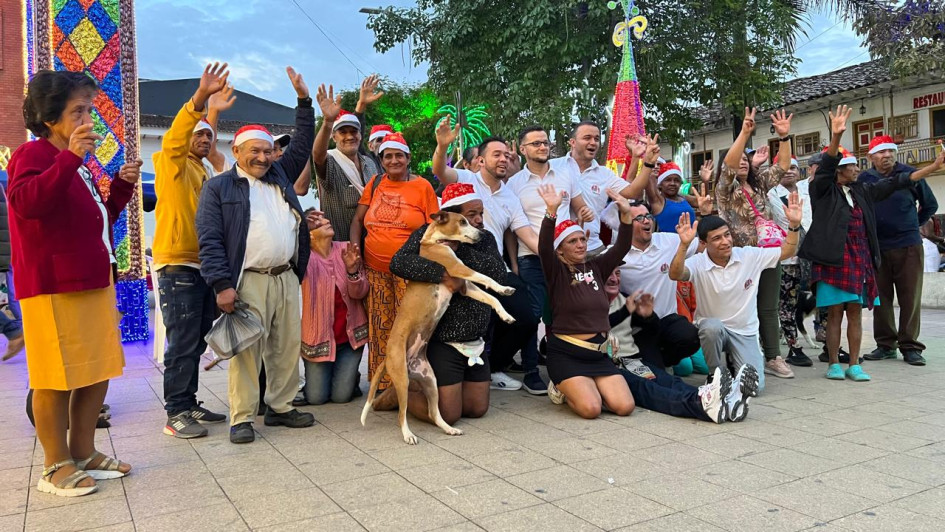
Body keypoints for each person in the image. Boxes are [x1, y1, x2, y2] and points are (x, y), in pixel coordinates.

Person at [8, 70, 139, 495]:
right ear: (50, 118)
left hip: (91, 280)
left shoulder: (75, 163)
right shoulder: (34, 156)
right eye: (78, 110)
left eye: (89, 108)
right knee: (54, 377)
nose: (88, 118)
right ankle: (54, 465)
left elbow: (96, 224)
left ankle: (83, 451)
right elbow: (28, 203)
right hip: (51, 285)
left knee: (95, 371)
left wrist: (119, 187)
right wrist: (69, 160)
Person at [196, 66, 316, 444]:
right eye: (255, 151)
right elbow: (210, 240)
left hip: (285, 276)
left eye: (267, 151)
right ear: (236, 151)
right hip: (247, 280)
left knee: (285, 347)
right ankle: (242, 416)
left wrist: (303, 101)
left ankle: (280, 408)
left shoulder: (279, 176)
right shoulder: (219, 188)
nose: (263, 157)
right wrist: (221, 285)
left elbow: (302, 144)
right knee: (247, 350)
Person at [800, 106, 945, 381]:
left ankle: (855, 364)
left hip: (860, 258)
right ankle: (834, 363)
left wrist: (932, 168)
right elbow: (825, 168)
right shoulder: (823, 191)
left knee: (855, 311)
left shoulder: (862, 189)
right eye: (851, 166)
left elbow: (898, 182)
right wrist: (836, 136)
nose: (857, 169)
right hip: (833, 260)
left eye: (856, 165)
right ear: (839, 171)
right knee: (835, 314)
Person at [152, 63, 230, 439]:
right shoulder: (172, 163)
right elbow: (178, 136)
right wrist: (200, 100)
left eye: (208, 136)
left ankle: (189, 401)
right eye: (196, 135)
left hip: (202, 267)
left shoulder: (201, 170)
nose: (202, 139)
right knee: (182, 341)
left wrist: (212, 115)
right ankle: (175, 412)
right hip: (177, 266)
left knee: (196, 339)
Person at [384, 183, 505, 422]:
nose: (479, 220)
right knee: (448, 414)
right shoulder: (425, 233)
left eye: (480, 213)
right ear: (450, 217)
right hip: (442, 338)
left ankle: (438, 390)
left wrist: (457, 250)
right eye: (470, 216)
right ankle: (398, 396)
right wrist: (442, 273)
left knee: (476, 408)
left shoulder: (483, 238)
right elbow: (399, 263)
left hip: (474, 338)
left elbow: (498, 274)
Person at [432, 129, 541, 391]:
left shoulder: (510, 197)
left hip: (495, 269)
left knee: (527, 316)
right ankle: (451, 371)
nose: (503, 159)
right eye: (496, 154)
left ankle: (493, 366)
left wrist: (558, 252)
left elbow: (526, 234)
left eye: (506, 154)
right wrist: (442, 147)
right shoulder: (468, 179)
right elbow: (440, 171)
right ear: (481, 160)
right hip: (459, 268)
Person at [670, 200, 803, 394]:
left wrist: (794, 225)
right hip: (714, 330)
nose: (725, 241)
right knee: (711, 328)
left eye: (727, 235)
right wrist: (683, 245)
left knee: (754, 389)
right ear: (704, 244)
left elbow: (787, 251)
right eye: (716, 239)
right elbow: (675, 274)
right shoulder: (698, 262)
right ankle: (715, 375)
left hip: (745, 332)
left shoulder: (749, 255)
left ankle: (735, 364)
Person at [505, 125, 596, 395]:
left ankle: (563, 368)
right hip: (530, 258)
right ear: (523, 150)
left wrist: (585, 212)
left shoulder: (566, 174)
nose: (543, 147)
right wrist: (514, 263)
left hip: (564, 258)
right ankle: (531, 371)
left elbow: (578, 205)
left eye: (545, 143)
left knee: (563, 313)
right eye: (535, 144)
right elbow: (511, 230)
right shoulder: (514, 184)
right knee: (533, 317)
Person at [602, 270, 758, 423]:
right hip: (605, 366)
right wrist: (624, 312)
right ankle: (702, 404)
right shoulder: (588, 302)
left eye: (618, 273)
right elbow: (595, 327)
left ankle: (728, 401)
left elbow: (651, 331)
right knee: (649, 390)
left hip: (630, 360)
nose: (614, 279)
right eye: (609, 273)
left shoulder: (624, 299)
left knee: (668, 381)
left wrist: (648, 316)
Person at [535, 182, 635, 419]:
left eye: (582, 239)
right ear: (559, 250)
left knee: (624, 407)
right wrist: (551, 212)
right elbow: (543, 247)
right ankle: (561, 385)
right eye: (572, 241)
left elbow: (622, 247)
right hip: (567, 354)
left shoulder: (597, 267)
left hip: (598, 354)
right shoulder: (555, 271)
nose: (580, 244)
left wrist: (626, 214)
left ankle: (590, 386)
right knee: (591, 409)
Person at [350, 132, 439, 393]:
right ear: (382, 160)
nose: (393, 160)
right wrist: (356, 251)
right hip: (375, 268)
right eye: (387, 156)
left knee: (410, 328)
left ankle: (412, 383)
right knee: (380, 327)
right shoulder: (376, 183)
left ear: (408, 158)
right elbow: (357, 220)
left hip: (409, 271)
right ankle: (384, 384)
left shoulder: (422, 186)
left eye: (399, 155)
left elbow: (434, 227)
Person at [714, 108, 796, 379]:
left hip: (768, 253)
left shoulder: (759, 184)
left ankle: (773, 355)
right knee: (740, 307)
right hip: (740, 256)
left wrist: (784, 138)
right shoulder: (725, 190)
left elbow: (783, 166)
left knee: (769, 306)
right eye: (739, 159)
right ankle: (737, 355)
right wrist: (744, 133)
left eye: (747, 160)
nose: (743, 163)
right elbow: (728, 166)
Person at [861, 134, 939, 366]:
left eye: (890, 151)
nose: (887, 156)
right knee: (880, 298)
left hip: (908, 245)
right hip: (877, 246)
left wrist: (912, 225)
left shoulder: (909, 174)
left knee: (910, 296)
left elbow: (930, 204)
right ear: (871, 157)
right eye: (881, 152)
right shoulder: (865, 179)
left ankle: (910, 346)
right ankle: (885, 345)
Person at [301, 209, 368, 404]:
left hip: (349, 340)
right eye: (318, 222)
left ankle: (348, 377)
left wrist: (352, 272)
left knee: (341, 397)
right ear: (308, 233)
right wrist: (301, 228)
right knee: (316, 399)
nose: (326, 221)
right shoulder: (304, 258)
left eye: (324, 218)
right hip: (318, 340)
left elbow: (360, 293)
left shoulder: (346, 249)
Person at [302, 80, 381, 241]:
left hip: (374, 244)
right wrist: (327, 122)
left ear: (360, 135)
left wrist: (361, 106)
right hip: (341, 250)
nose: (349, 136)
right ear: (334, 136)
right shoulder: (331, 161)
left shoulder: (370, 163)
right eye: (343, 132)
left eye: (354, 131)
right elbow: (317, 155)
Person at [551, 121, 643, 256]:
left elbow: (632, 192)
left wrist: (646, 163)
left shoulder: (604, 174)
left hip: (592, 247)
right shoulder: (553, 167)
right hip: (559, 249)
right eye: (587, 138)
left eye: (597, 139)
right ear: (572, 142)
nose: (593, 142)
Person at [767, 154, 814, 368]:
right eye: (785, 168)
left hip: (811, 255)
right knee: (787, 303)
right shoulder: (771, 194)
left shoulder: (807, 189)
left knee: (816, 300)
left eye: (794, 168)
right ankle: (793, 346)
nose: (790, 171)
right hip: (786, 257)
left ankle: (824, 339)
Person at [0, 183, 24, 361]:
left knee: (7, 296)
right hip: (7, 249)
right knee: (8, 295)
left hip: (3, 251)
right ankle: (17, 331)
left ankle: (15, 332)